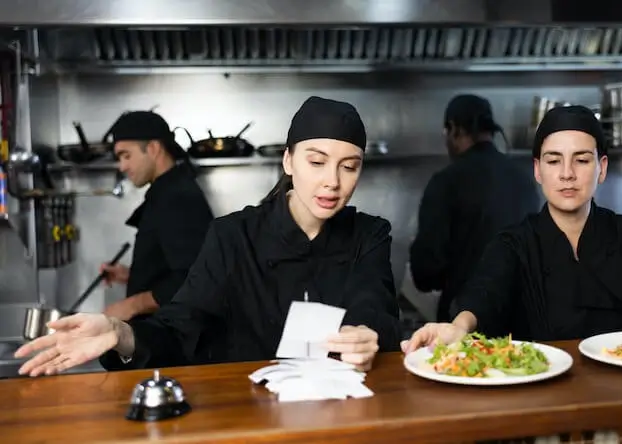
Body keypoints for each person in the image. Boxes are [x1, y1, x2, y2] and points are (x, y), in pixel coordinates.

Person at [15, 96, 402, 376]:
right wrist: (120, 333)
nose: (332, 181)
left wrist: (364, 333)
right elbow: (179, 329)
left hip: (341, 415)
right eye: (316, 161)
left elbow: (374, 305)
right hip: (248, 417)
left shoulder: (369, 234)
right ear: (288, 160)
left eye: (349, 167)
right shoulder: (233, 236)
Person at [402, 105, 622, 352]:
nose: (567, 173)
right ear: (538, 170)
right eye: (553, 160)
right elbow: (485, 294)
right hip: (540, 402)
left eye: (582, 160)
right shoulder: (513, 244)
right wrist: (460, 326)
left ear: (602, 168)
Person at [409, 94, 538, 322]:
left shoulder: (446, 181)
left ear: (453, 129)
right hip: (520, 316)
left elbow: (425, 272)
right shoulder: (524, 179)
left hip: (463, 319)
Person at [99, 111, 214, 322]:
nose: (122, 166)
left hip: (175, 337)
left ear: (153, 148)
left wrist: (132, 305)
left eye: (127, 155)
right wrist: (133, 276)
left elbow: (195, 277)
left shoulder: (177, 197)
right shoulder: (167, 190)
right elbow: (175, 268)